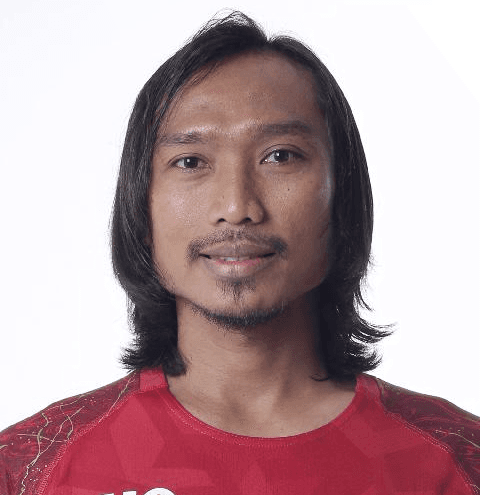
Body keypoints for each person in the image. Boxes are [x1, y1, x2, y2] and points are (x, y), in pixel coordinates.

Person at [1, 11, 479, 495]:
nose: (236, 207)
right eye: (190, 161)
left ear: (342, 198)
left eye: (280, 156)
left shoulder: (458, 461)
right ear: (141, 208)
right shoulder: (30, 470)